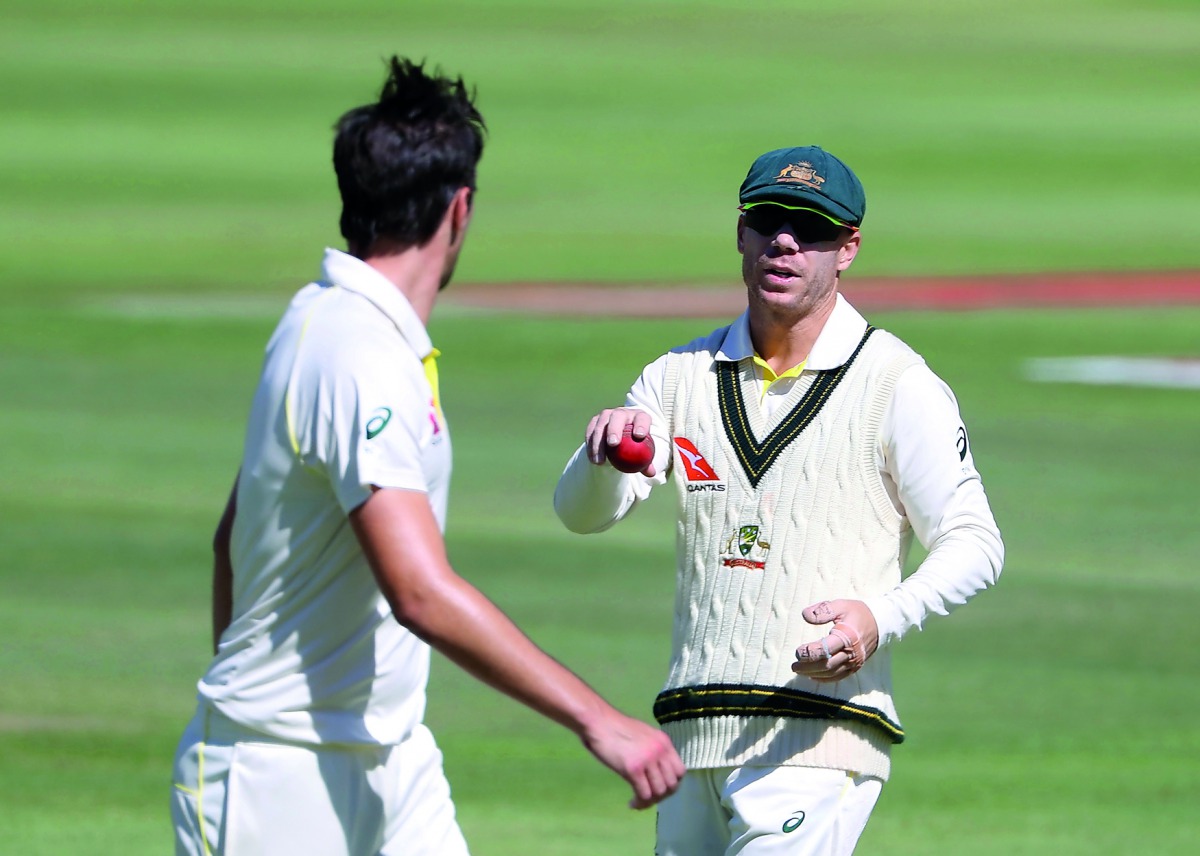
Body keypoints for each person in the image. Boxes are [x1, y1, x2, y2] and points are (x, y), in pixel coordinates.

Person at [170, 56, 683, 856]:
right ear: (460, 208)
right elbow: (418, 590)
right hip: (280, 785)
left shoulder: (329, 324)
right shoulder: (355, 352)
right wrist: (599, 720)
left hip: (393, 761)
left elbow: (227, 536)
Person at [553, 145, 1004, 855]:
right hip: (692, 739)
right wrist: (602, 454)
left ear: (848, 248)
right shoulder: (677, 377)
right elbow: (581, 514)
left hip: (816, 743)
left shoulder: (895, 382)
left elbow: (976, 543)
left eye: (812, 227)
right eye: (768, 220)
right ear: (741, 231)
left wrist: (877, 619)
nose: (785, 240)